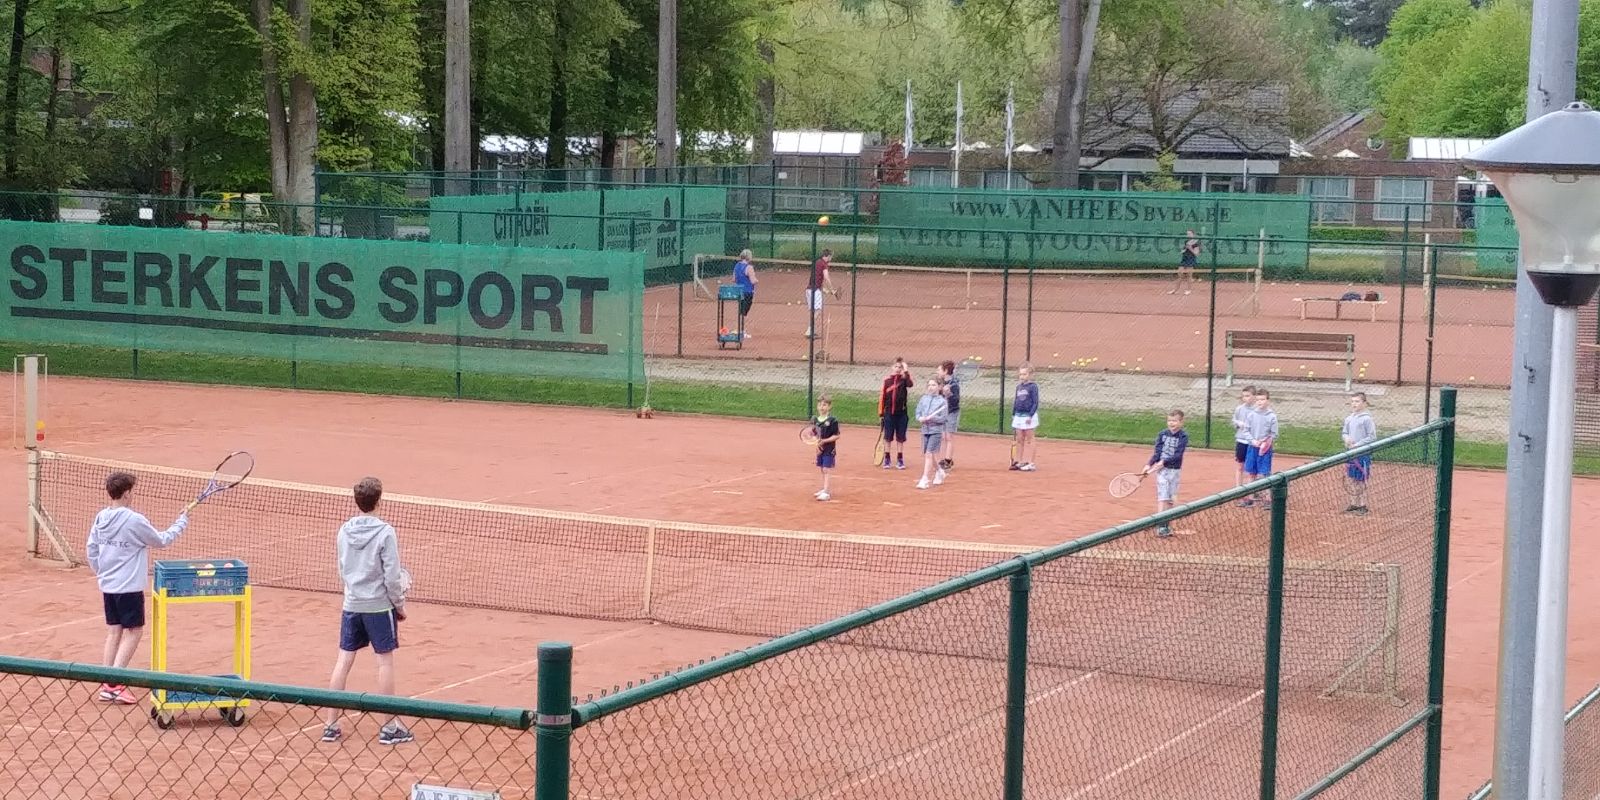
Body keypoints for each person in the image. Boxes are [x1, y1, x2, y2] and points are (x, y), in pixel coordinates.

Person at [323, 477, 413, 746]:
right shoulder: (386, 533)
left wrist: (354, 591)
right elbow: (392, 576)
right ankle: (389, 727)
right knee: (384, 662)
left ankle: (330, 725)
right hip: (378, 606)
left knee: (343, 660)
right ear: (379, 501)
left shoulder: (343, 531)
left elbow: (342, 569)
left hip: (351, 604)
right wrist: (399, 605)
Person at [85, 472, 189, 705]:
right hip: (129, 587)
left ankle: (107, 683)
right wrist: (181, 521)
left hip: (108, 586)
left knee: (114, 632)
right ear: (126, 493)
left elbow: (91, 549)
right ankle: (114, 685)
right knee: (134, 631)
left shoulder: (101, 517)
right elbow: (162, 541)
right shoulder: (134, 520)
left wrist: (102, 572)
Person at [1142, 410, 1189, 538]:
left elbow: (1178, 454)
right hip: (1162, 471)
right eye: (1169, 421)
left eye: (1174, 421)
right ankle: (1160, 525)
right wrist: (1149, 465)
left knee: (1170, 499)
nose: (1171, 423)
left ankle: (1166, 523)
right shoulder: (1162, 434)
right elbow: (1157, 453)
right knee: (1163, 497)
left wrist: (1164, 461)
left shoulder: (1183, 437)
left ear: (1181, 422)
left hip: (1174, 470)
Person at [1240, 389, 1279, 508]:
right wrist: (1253, 441)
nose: (1260, 402)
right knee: (1251, 473)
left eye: (1262, 399)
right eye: (1258, 400)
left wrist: (1265, 443)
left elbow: (1274, 434)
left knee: (1265, 474)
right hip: (1252, 448)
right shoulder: (1251, 415)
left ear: (1268, 400)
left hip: (1265, 450)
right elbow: (1246, 431)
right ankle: (1250, 498)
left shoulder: (1272, 416)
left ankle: (1268, 499)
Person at [1342, 392, 1378, 515]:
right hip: (1351, 453)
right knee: (1352, 478)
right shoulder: (1349, 418)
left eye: (1357, 401)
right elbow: (1344, 432)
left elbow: (1372, 437)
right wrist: (1346, 439)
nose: (1354, 404)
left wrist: (1357, 445)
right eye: (1352, 401)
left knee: (1361, 479)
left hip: (1362, 454)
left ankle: (1362, 504)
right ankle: (1353, 503)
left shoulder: (1367, 419)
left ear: (1364, 403)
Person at [877, 357, 915, 470]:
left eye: (900, 367)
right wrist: (881, 414)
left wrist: (906, 371)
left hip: (902, 414)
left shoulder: (904, 381)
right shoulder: (887, 381)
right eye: (896, 367)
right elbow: (882, 398)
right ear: (892, 367)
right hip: (889, 414)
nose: (898, 369)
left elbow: (910, 384)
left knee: (900, 437)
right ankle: (887, 458)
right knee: (888, 437)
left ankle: (900, 459)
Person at [914, 378, 949, 490]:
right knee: (929, 454)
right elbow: (918, 412)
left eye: (933, 385)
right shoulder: (924, 399)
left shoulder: (942, 402)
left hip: (936, 431)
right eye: (929, 385)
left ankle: (924, 479)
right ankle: (939, 471)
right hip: (925, 430)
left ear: (939, 387)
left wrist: (932, 419)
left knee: (929, 454)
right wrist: (920, 418)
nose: (931, 387)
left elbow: (943, 418)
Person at [1010, 363, 1040, 472]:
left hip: (1028, 416)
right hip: (1018, 415)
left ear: (1030, 375)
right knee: (1019, 439)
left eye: (1024, 374)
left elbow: (1035, 402)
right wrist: (1014, 414)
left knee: (1030, 439)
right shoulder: (1019, 387)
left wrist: (1030, 415)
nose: (1022, 376)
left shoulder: (1033, 387)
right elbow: (1016, 401)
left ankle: (1031, 463)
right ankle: (1019, 461)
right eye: (1020, 374)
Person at [813, 395, 841, 501]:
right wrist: (817, 444)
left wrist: (824, 441)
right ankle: (824, 488)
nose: (822, 407)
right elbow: (815, 435)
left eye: (824, 405)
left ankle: (826, 492)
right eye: (820, 405)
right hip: (820, 449)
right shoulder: (815, 420)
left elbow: (837, 435)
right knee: (822, 468)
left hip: (829, 449)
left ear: (829, 407)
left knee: (826, 469)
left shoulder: (833, 420)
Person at [804, 249, 836, 338]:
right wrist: (832, 289)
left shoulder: (817, 262)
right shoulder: (824, 264)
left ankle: (811, 330)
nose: (831, 259)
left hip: (809, 290)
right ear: (828, 256)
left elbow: (816, 278)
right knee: (818, 310)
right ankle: (809, 331)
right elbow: (826, 278)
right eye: (831, 257)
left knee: (813, 311)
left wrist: (825, 290)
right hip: (815, 291)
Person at [937, 360, 962, 472]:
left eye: (939, 370)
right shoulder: (943, 382)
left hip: (952, 413)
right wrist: (940, 391)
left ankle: (948, 460)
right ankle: (947, 459)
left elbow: (956, 400)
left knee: (949, 437)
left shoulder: (954, 384)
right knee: (944, 436)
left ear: (946, 371)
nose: (937, 371)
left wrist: (949, 393)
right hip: (944, 413)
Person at [1231, 385, 1257, 487]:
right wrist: (1239, 423)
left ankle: (1252, 488)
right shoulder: (1239, 409)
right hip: (1241, 441)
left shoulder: (1257, 410)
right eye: (1244, 396)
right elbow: (1234, 421)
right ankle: (1238, 489)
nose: (1245, 398)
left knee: (1252, 468)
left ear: (1254, 396)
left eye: (1248, 396)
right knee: (1240, 466)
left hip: (1252, 442)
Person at [732, 249, 757, 340]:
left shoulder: (737, 266)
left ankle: (740, 329)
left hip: (739, 291)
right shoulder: (749, 267)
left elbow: (734, 279)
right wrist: (756, 280)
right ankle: (741, 331)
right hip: (747, 292)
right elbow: (753, 281)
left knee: (741, 311)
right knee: (744, 312)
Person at [1172, 229, 1199, 295]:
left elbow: (1196, 253)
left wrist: (1190, 248)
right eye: (1187, 234)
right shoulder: (1186, 241)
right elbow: (1184, 249)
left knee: (1189, 275)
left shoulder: (1196, 243)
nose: (1188, 235)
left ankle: (1189, 290)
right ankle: (1175, 290)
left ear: (1193, 234)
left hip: (1191, 260)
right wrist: (1183, 251)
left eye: (1190, 234)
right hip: (1184, 259)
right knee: (1180, 274)